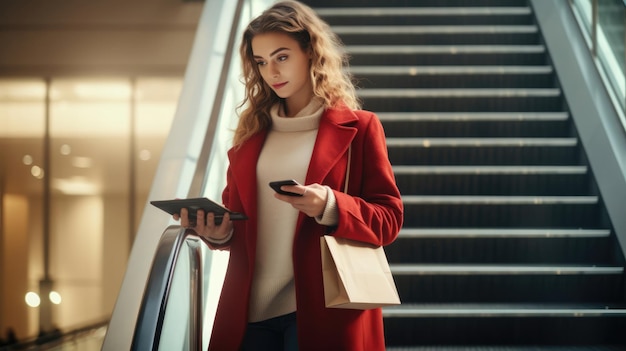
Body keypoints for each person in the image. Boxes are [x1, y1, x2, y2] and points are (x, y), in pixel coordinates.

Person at [176, 1, 403, 350]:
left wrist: (329, 204)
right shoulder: (249, 136)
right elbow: (240, 224)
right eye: (261, 62)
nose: (272, 72)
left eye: (282, 57)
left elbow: (388, 220)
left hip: (325, 308)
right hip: (249, 313)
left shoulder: (359, 128)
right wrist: (219, 234)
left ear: (310, 52)